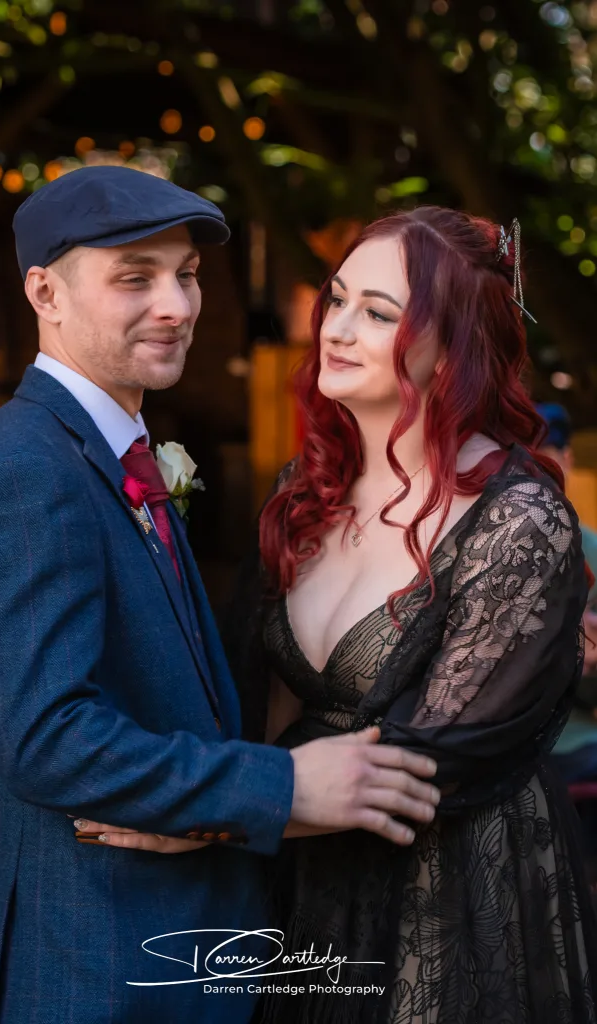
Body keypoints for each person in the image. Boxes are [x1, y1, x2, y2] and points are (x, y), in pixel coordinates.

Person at [0, 167, 440, 1024]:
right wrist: (280, 787)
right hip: (87, 966)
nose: (175, 305)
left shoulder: (112, 450)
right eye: (135, 278)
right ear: (45, 293)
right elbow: (49, 740)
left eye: (188, 275)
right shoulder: (26, 469)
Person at [224, 207, 597, 1022]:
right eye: (337, 300)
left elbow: (424, 768)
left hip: (448, 894)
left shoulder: (517, 523)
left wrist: (200, 818)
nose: (336, 329)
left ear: (452, 349)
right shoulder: (302, 491)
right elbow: (261, 704)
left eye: (378, 313)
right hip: (299, 876)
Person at [535, 402, 597, 795]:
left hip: (576, 740)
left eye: (543, 463)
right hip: (505, 747)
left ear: (567, 460)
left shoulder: (591, 550)